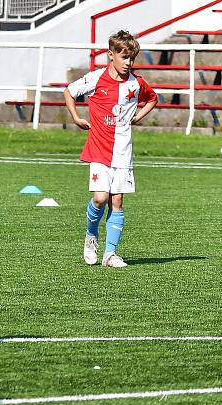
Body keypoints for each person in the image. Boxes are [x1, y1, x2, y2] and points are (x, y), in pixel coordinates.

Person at [64, 30, 157, 268]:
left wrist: (139, 116)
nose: (128, 63)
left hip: (123, 151)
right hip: (99, 149)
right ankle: (91, 236)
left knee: (117, 202)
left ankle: (110, 254)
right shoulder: (96, 79)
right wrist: (76, 117)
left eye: (132, 58)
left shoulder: (136, 84)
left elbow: (153, 98)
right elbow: (69, 91)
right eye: (124, 57)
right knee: (100, 198)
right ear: (111, 55)